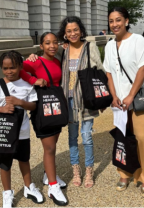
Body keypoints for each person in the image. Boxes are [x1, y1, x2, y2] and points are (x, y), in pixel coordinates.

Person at [27, 16, 106, 188]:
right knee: (72, 137)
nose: (73, 33)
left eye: (75, 30)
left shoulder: (90, 47)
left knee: (86, 137)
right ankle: (76, 171)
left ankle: (89, 171)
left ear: (81, 30)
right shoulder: (64, 49)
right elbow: (46, 60)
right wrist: (34, 56)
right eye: (69, 31)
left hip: (86, 100)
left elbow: (100, 72)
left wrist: (102, 99)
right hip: (67, 99)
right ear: (65, 33)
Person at [0, 51, 44, 208]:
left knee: (24, 160)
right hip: (3, 133)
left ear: (20, 66)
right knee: (4, 164)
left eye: (13, 67)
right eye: (5, 68)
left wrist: (20, 102)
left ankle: (29, 187)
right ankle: (7, 193)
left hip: (22, 132)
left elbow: (33, 105)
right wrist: (1, 110)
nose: (9, 71)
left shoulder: (28, 84)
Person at [104, 7, 144, 198]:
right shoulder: (109, 46)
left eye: (118, 20)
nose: (114, 24)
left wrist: (131, 95)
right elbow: (109, 73)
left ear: (126, 21)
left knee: (141, 138)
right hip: (119, 102)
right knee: (122, 138)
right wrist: (113, 95)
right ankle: (124, 173)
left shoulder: (137, 40)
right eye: (111, 21)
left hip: (139, 97)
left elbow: (143, 67)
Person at [19, 32, 68, 206]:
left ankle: (49, 175)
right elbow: (17, 69)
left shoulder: (57, 60)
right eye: (47, 43)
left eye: (55, 42)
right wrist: (34, 79)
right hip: (42, 109)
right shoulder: (35, 61)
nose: (52, 46)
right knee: (49, 148)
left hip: (56, 107)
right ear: (41, 46)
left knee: (52, 146)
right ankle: (53, 187)